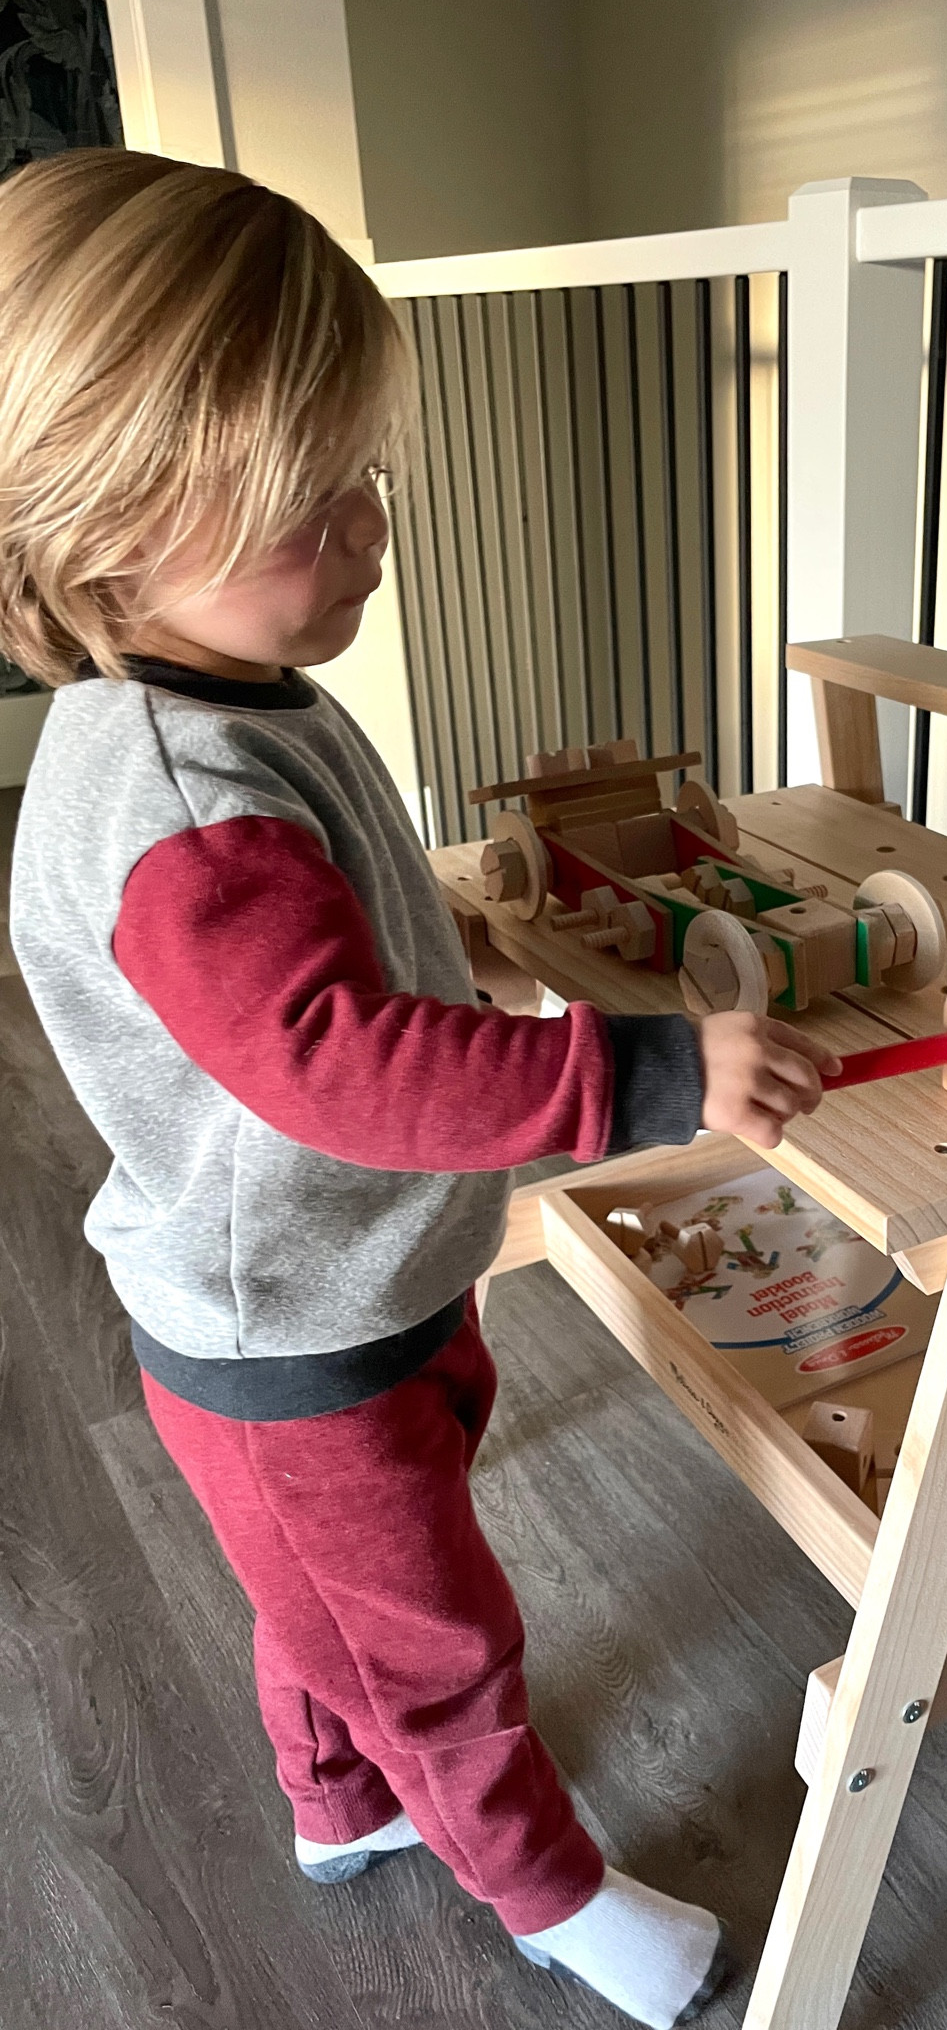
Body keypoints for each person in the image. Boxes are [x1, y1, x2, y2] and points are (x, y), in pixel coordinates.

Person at [4, 148, 838, 2030]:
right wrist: (643, 1072)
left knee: (324, 1605)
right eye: (316, 501)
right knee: (436, 1640)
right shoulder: (186, 801)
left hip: (341, 1286)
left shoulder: (218, 691)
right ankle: (549, 1900)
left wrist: (447, 956)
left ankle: (334, 1804)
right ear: (111, 519)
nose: (373, 530)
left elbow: (321, 971)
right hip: (289, 1325)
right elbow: (327, 1063)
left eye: (364, 479)